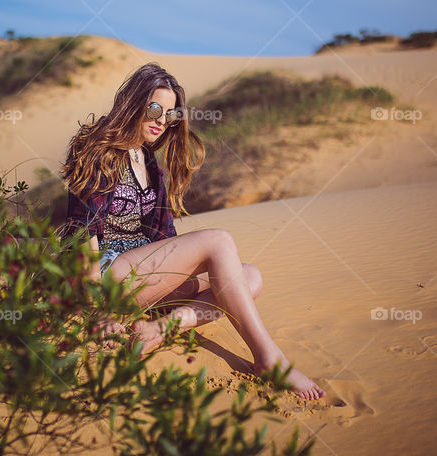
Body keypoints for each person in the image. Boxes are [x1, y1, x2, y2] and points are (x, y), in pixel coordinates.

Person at [59, 62, 325, 400]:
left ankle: (158, 329)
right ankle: (268, 357)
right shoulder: (99, 151)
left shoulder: (149, 163)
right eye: (154, 108)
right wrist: (98, 312)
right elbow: (83, 235)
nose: (161, 120)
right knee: (219, 240)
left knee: (250, 277)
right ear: (134, 103)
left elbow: (163, 239)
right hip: (108, 274)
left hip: (144, 279)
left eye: (170, 115)